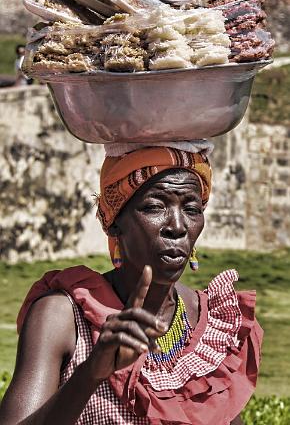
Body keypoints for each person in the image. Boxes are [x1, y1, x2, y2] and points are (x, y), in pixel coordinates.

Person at [0, 146, 262, 425]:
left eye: (191, 209)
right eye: (154, 207)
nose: (177, 226)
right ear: (113, 222)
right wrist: (90, 374)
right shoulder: (62, 317)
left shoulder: (213, 327)